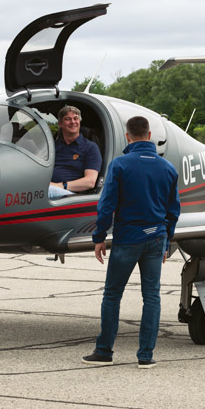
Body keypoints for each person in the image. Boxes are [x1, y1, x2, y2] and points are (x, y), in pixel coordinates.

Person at [82, 116, 180, 368]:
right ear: (149, 136)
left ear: (128, 137)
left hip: (128, 239)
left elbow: (107, 205)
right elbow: (173, 211)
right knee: (152, 297)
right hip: (156, 238)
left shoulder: (119, 165)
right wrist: (166, 241)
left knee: (112, 295)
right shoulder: (168, 168)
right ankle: (145, 356)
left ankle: (104, 351)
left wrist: (99, 237)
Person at [49, 105, 102, 199]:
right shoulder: (52, 146)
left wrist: (60, 185)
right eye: (68, 119)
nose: (73, 122)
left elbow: (90, 182)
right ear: (60, 124)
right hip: (48, 188)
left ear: (79, 122)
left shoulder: (90, 147)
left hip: (71, 194)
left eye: (76, 118)